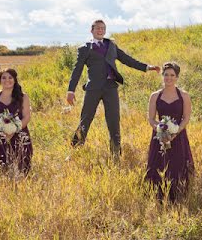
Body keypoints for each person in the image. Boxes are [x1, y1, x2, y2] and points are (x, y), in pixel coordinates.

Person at [67, 19, 159, 156]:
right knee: (86, 118)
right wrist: (71, 90)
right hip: (93, 88)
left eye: (103, 28)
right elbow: (77, 69)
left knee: (114, 120)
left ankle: (115, 152)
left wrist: (146, 67)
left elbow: (127, 59)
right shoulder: (84, 48)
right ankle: (75, 150)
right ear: (91, 30)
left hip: (110, 87)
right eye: (97, 28)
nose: (100, 31)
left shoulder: (111, 45)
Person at [145, 62, 194, 202]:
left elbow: (186, 118)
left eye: (172, 75)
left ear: (177, 77)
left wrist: (175, 132)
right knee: (158, 165)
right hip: (159, 137)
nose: (169, 78)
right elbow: (151, 119)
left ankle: (178, 197)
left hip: (178, 137)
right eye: (166, 75)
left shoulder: (184, 95)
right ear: (162, 76)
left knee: (177, 165)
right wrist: (161, 131)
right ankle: (157, 197)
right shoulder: (155, 96)